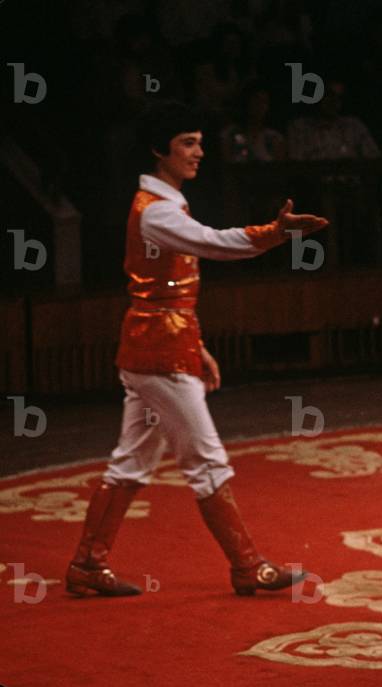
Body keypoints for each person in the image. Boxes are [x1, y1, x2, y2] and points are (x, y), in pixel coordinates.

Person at [66, 101, 329, 597]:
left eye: (199, 142)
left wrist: (198, 344)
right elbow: (213, 243)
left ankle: (86, 565)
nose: (199, 152)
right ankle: (247, 566)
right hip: (161, 355)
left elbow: (172, 289)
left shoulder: (161, 208)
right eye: (188, 142)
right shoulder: (158, 213)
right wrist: (277, 233)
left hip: (157, 347)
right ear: (158, 152)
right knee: (206, 460)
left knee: (132, 462)